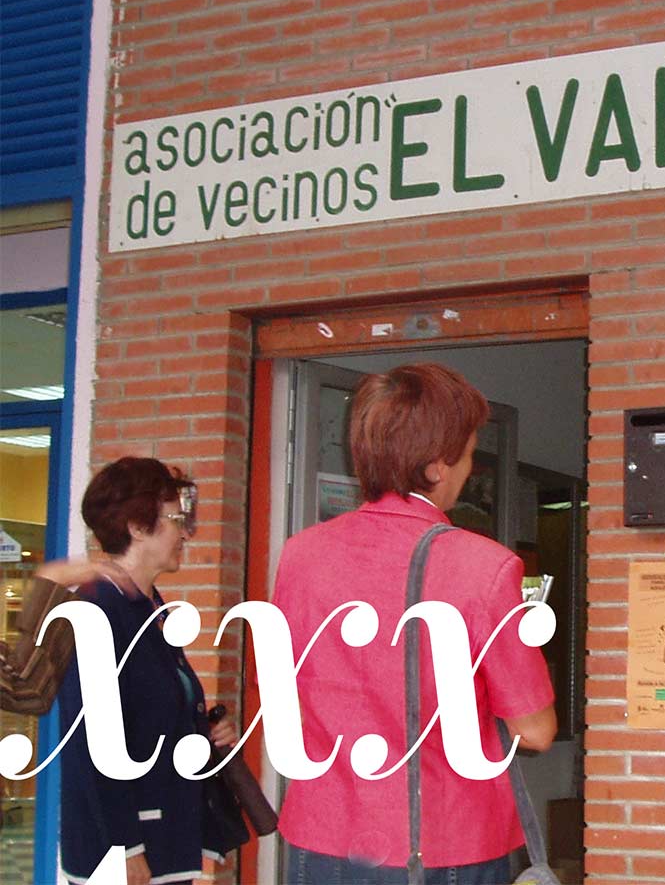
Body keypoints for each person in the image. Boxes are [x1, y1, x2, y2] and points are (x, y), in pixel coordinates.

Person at [273, 362, 556, 884]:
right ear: (436, 467)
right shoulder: (485, 567)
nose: (470, 469)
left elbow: (285, 690)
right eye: (469, 454)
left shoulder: (300, 555)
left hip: (321, 836)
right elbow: (536, 730)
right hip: (443, 842)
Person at [41, 457, 238, 885]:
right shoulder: (96, 609)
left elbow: (145, 713)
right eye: (175, 520)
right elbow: (91, 744)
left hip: (166, 841)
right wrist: (125, 849)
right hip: (127, 854)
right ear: (136, 526)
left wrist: (200, 730)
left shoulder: (151, 607)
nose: (185, 533)